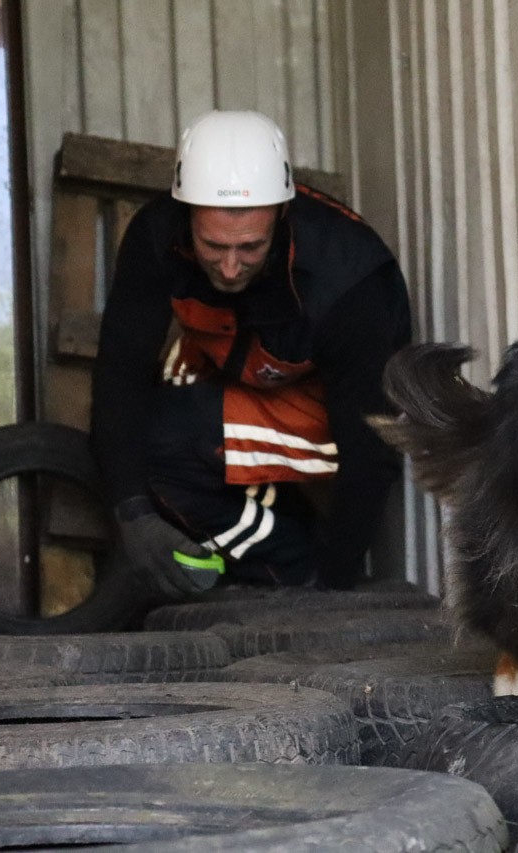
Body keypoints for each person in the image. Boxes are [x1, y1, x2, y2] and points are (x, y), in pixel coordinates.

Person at [90, 109, 411, 600]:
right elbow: (120, 374)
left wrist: (332, 584)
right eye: (213, 246)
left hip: (336, 413)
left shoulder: (350, 281)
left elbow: (373, 447)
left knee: (165, 441)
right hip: (247, 372)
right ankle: (279, 529)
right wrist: (131, 513)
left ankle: (292, 564)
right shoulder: (156, 237)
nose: (230, 267)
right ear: (186, 214)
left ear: (282, 215)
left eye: (250, 248)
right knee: (131, 435)